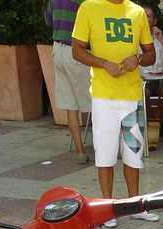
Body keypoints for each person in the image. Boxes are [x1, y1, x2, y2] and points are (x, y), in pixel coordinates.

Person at [71, 0, 159, 228]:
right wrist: (102, 63)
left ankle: (134, 205)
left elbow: (150, 54)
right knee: (105, 153)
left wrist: (137, 58)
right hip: (103, 96)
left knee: (133, 151)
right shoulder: (89, 7)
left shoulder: (137, 12)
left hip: (131, 96)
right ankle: (107, 208)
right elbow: (77, 50)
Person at [45, 0, 92, 163]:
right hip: (77, 52)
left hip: (58, 50)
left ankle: (80, 151)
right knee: (96, 103)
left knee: (71, 106)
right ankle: (108, 150)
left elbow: (48, 19)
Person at [140, 4, 163, 143]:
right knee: (144, 94)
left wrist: (162, 40)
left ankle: (154, 122)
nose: (144, 18)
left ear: (154, 21)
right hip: (145, 77)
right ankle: (159, 126)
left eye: (148, 16)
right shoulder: (135, 37)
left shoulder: (160, 37)